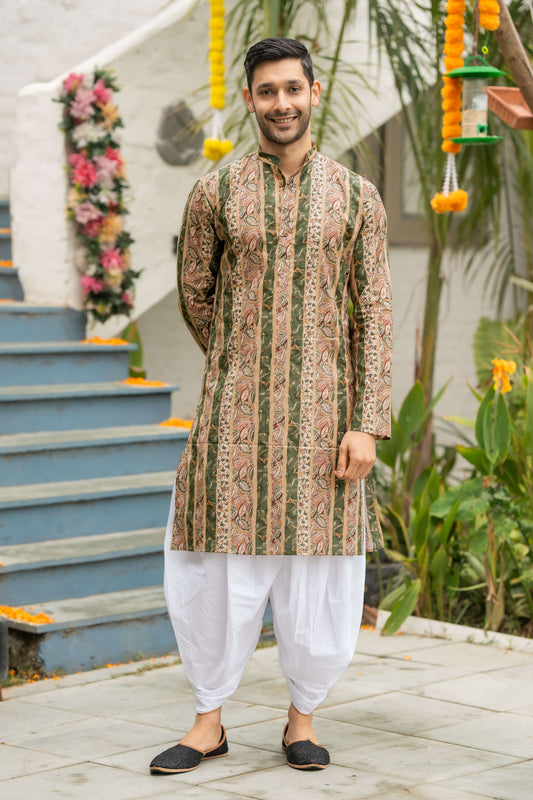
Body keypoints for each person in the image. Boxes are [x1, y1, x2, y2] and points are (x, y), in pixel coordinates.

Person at [150, 37, 392, 775]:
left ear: (312, 94)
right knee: (214, 565)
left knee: (315, 572)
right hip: (233, 419)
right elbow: (197, 294)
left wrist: (364, 420)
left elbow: (373, 311)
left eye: (292, 88)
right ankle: (207, 722)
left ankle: (301, 719)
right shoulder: (215, 194)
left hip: (327, 425)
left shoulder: (355, 196)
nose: (280, 102)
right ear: (250, 99)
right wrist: (244, 356)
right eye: (266, 91)